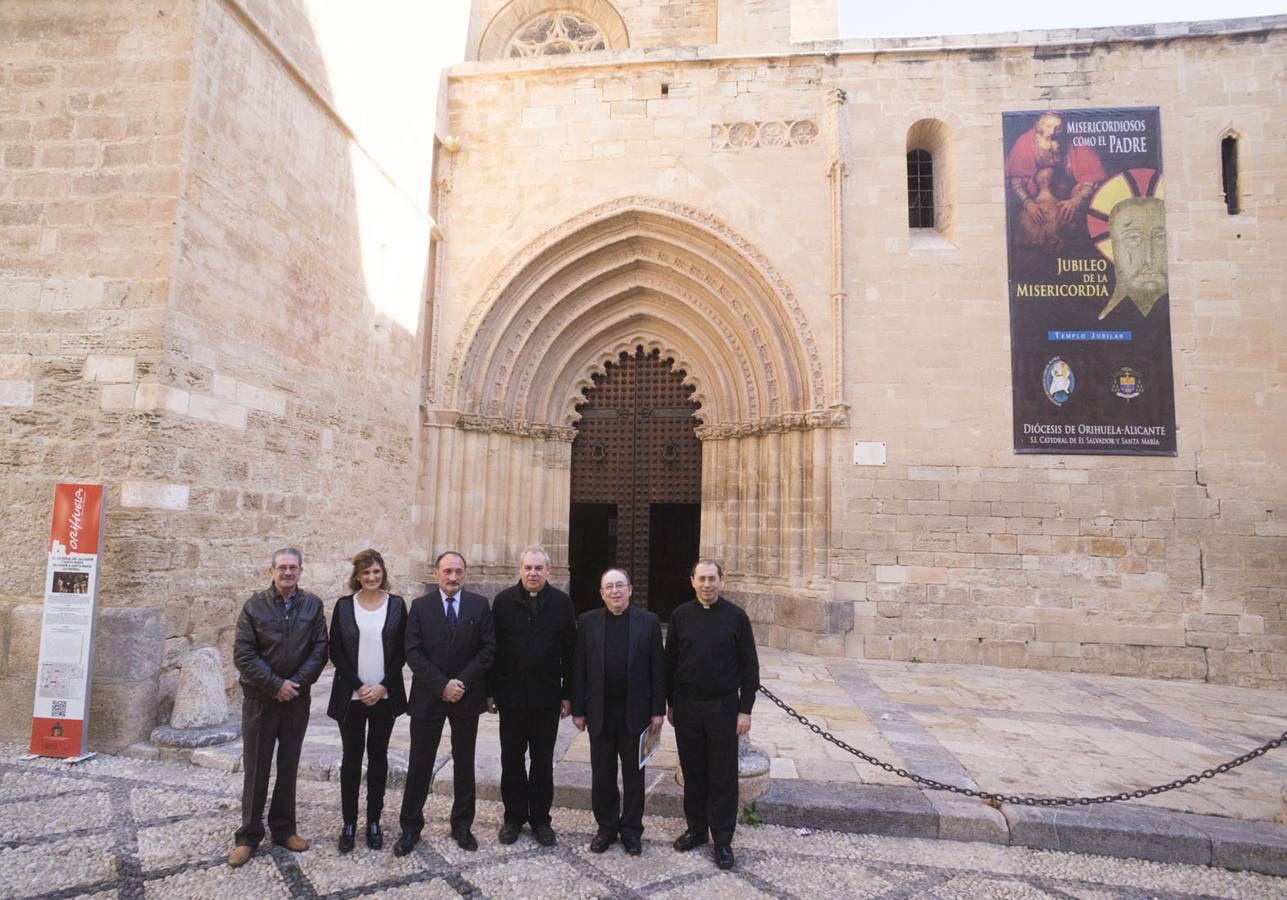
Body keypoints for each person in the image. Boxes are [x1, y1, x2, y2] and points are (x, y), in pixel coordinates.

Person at [228, 547, 328, 868]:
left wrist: (294, 684)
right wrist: (275, 684)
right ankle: (248, 835)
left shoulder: (312, 605)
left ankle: (284, 829)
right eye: (282, 567)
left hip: (296, 700)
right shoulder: (254, 607)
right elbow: (243, 653)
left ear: (301, 571)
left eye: (293, 568)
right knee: (256, 767)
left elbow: (320, 649)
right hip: (261, 700)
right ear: (270, 571)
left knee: (288, 765)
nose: (287, 572)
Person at [396, 551, 494, 855]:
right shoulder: (420, 607)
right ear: (436, 573)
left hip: (466, 696)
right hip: (429, 696)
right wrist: (442, 685)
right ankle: (410, 827)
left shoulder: (479, 605)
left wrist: (460, 683)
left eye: (458, 571)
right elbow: (412, 652)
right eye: (447, 571)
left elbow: (488, 649)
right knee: (419, 763)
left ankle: (462, 825)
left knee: (464, 762)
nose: (453, 577)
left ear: (465, 574)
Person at [665, 559, 760, 871]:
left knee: (721, 775)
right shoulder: (680, 616)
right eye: (701, 579)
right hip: (688, 706)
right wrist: (670, 704)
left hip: (723, 708)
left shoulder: (736, 617)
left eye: (712, 579)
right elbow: (670, 662)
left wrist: (744, 709)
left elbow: (750, 667)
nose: (707, 585)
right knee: (693, 771)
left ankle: (722, 840)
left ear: (722, 580)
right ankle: (696, 829)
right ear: (692, 581)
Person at [571, 567, 665, 856]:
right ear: (601, 593)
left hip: (635, 713)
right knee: (602, 774)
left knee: (634, 775)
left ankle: (632, 830)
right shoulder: (587, 622)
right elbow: (579, 668)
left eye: (620, 586)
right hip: (600, 711)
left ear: (630, 590)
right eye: (609, 586)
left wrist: (657, 710)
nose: (614, 591)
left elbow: (657, 669)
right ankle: (606, 828)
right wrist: (578, 708)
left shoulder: (648, 622)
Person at [487, 545, 577, 846]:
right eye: (528, 568)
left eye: (539, 568)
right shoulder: (502, 602)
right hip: (510, 696)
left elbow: (570, 653)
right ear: (520, 570)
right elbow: (492, 651)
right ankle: (513, 817)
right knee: (511, 759)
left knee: (541, 761)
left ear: (548, 571)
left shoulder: (562, 604)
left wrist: (568, 694)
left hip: (546, 697)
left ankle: (540, 819)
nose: (533, 573)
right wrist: (490, 691)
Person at [326, 549, 407, 853]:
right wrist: (360, 686)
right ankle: (349, 823)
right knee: (351, 758)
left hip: (384, 697)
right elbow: (336, 651)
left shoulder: (397, 605)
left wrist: (383, 687)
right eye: (366, 573)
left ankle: (373, 821)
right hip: (352, 696)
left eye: (376, 572)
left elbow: (402, 651)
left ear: (383, 573)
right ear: (357, 576)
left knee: (378, 757)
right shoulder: (345, 606)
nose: (372, 578)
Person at [1005, 111, 1105, 249]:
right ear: (1038, 125)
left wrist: (1076, 201)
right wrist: (1029, 205)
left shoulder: (1076, 142)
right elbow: (1016, 182)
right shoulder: (1025, 143)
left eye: (1058, 128)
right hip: (1035, 202)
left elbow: (1091, 178)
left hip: (1069, 200)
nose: (1052, 132)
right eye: (1047, 126)